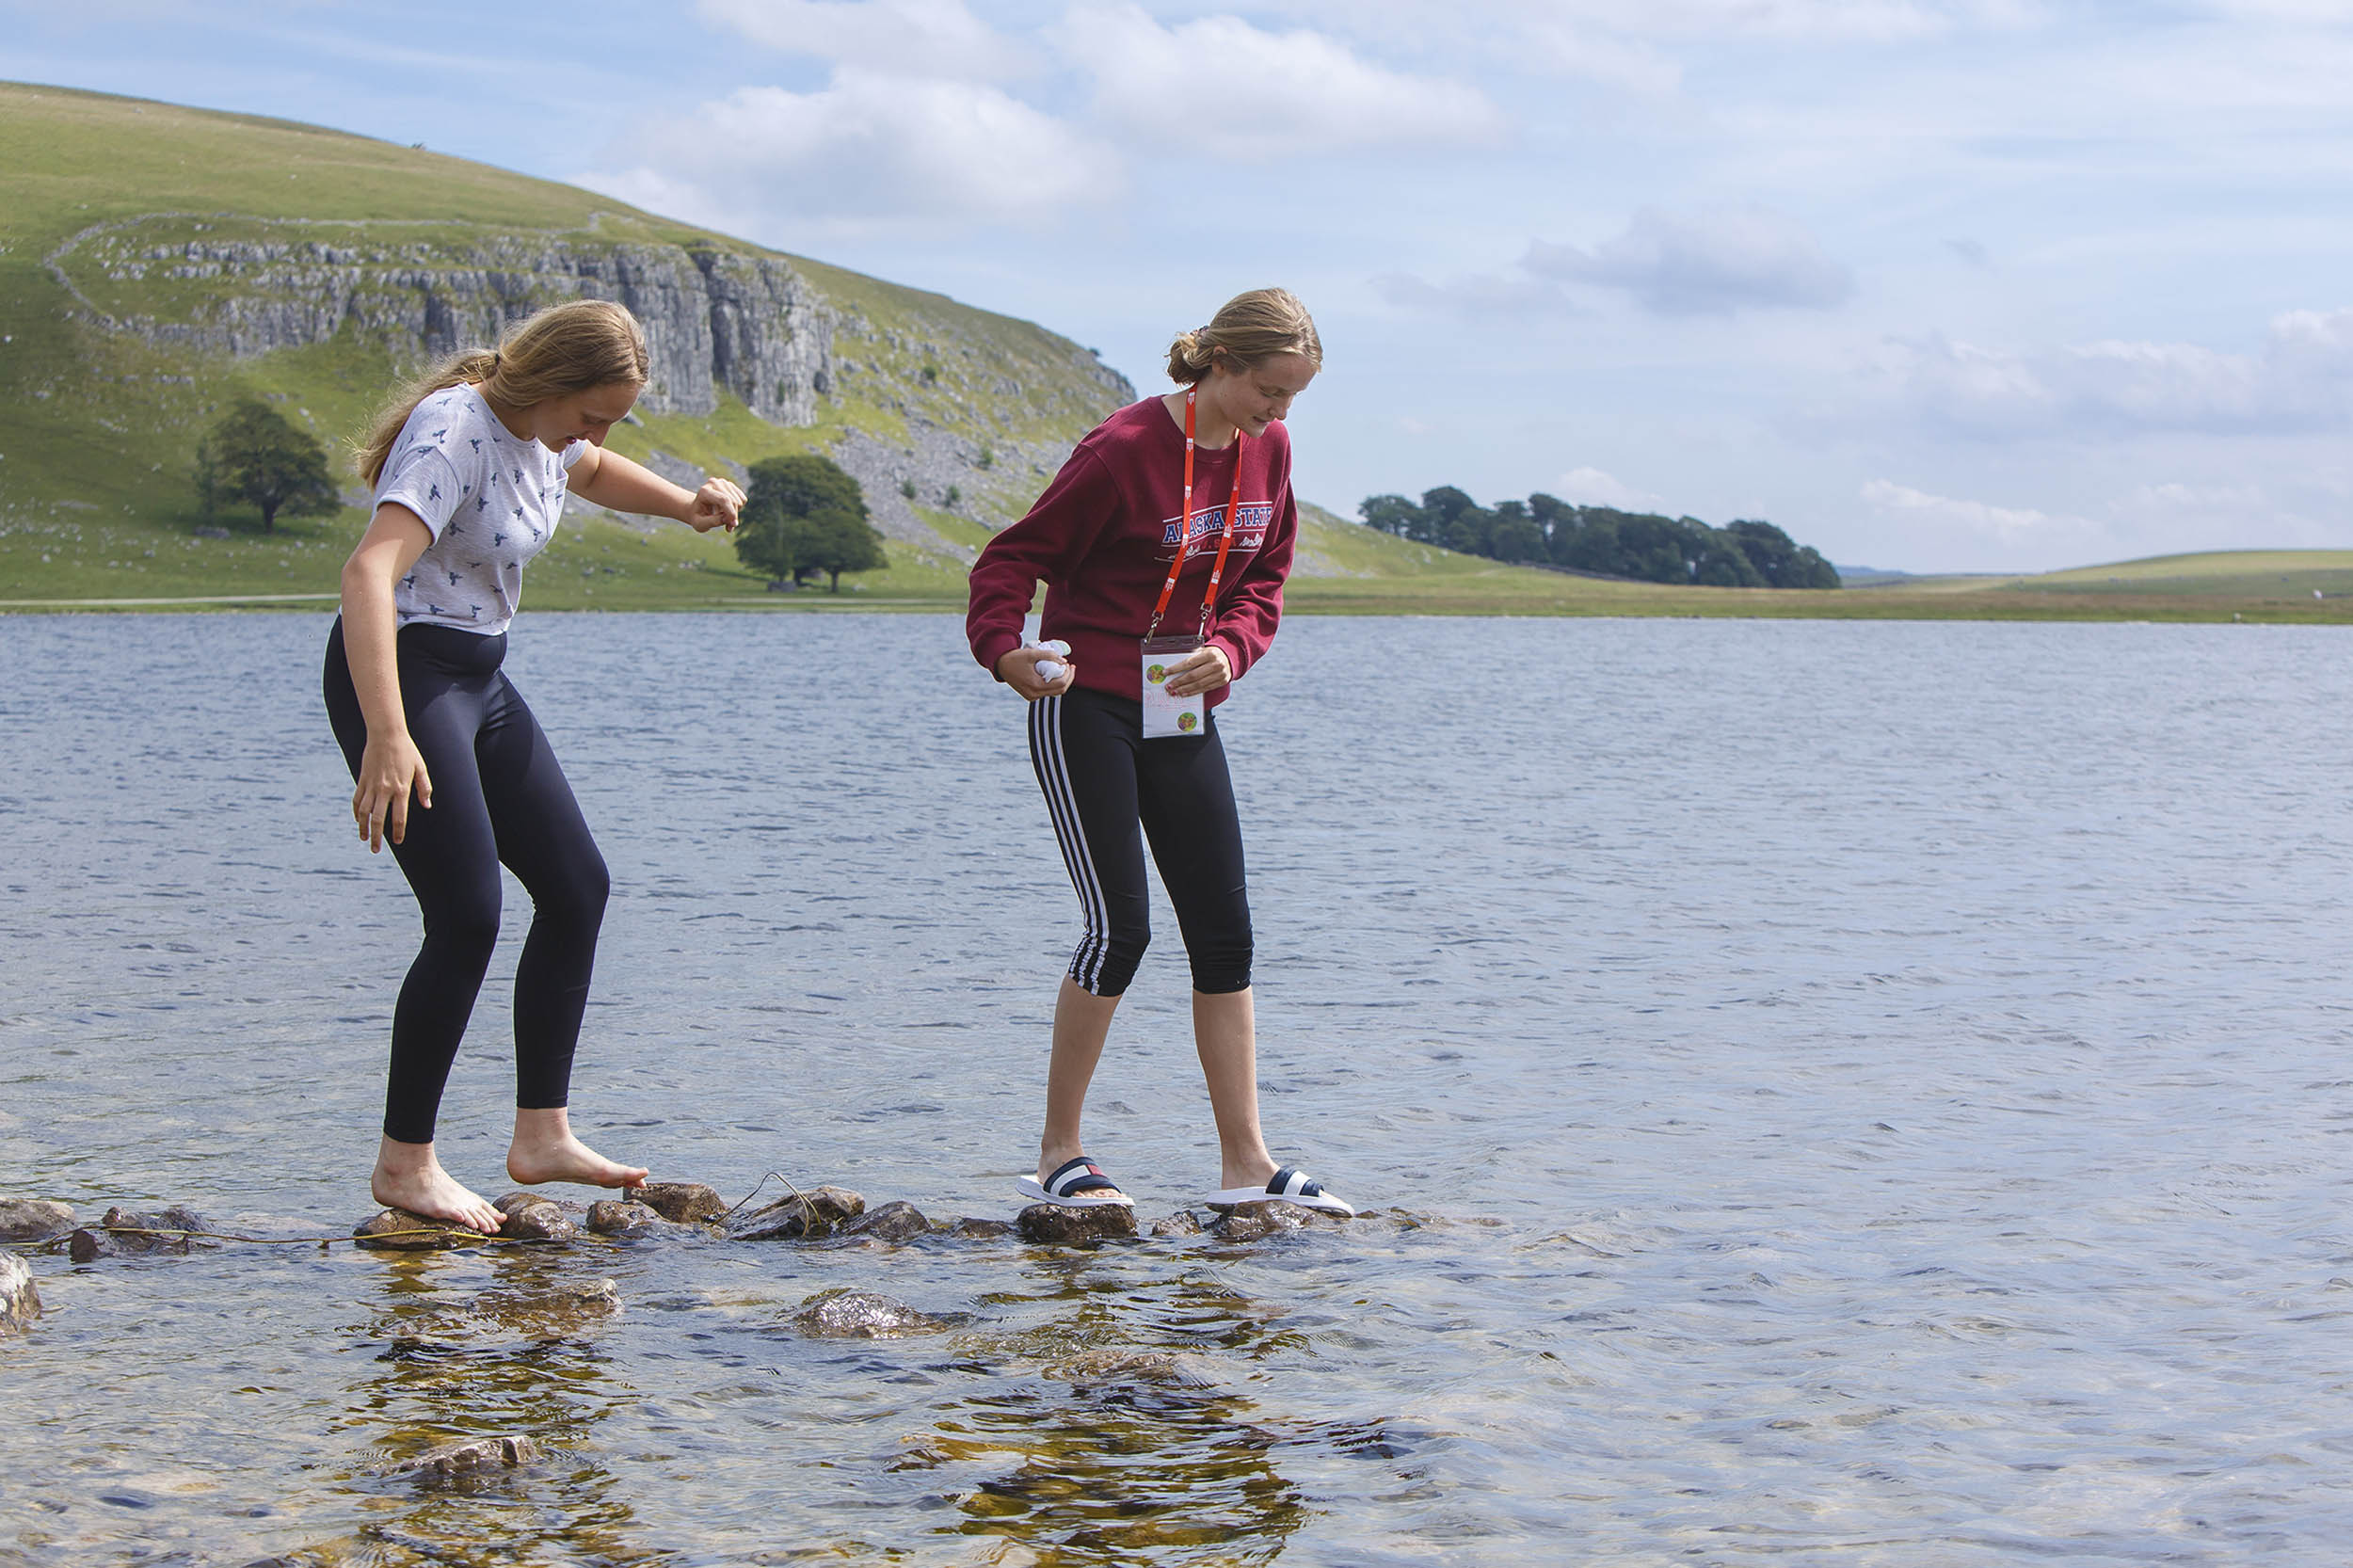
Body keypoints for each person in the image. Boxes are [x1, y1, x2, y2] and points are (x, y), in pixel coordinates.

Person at [325, 298, 744, 1234]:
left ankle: (542, 1132)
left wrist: (685, 505)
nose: (595, 435)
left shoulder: (550, 434)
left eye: (612, 418)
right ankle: (406, 1163)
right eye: (592, 411)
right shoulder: (452, 432)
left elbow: (587, 468)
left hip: (478, 676)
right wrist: (387, 735)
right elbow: (367, 574)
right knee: (468, 914)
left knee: (576, 884)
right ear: (551, 384)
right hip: (404, 673)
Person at [965, 287, 1352, 1217]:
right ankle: (1061, 1154)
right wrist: (1008, 653)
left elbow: (1265, 577)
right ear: (1219, 363)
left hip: (1178, 704)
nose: (1279, 412)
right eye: (1269, 389)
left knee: (1225, 935)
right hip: (1082, 703)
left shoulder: (1273, 449)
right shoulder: (1121, 452)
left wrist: (1234, 647)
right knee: (1120, 929)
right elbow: (1007, 562)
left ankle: (1245, 1165)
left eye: (1294, 397)